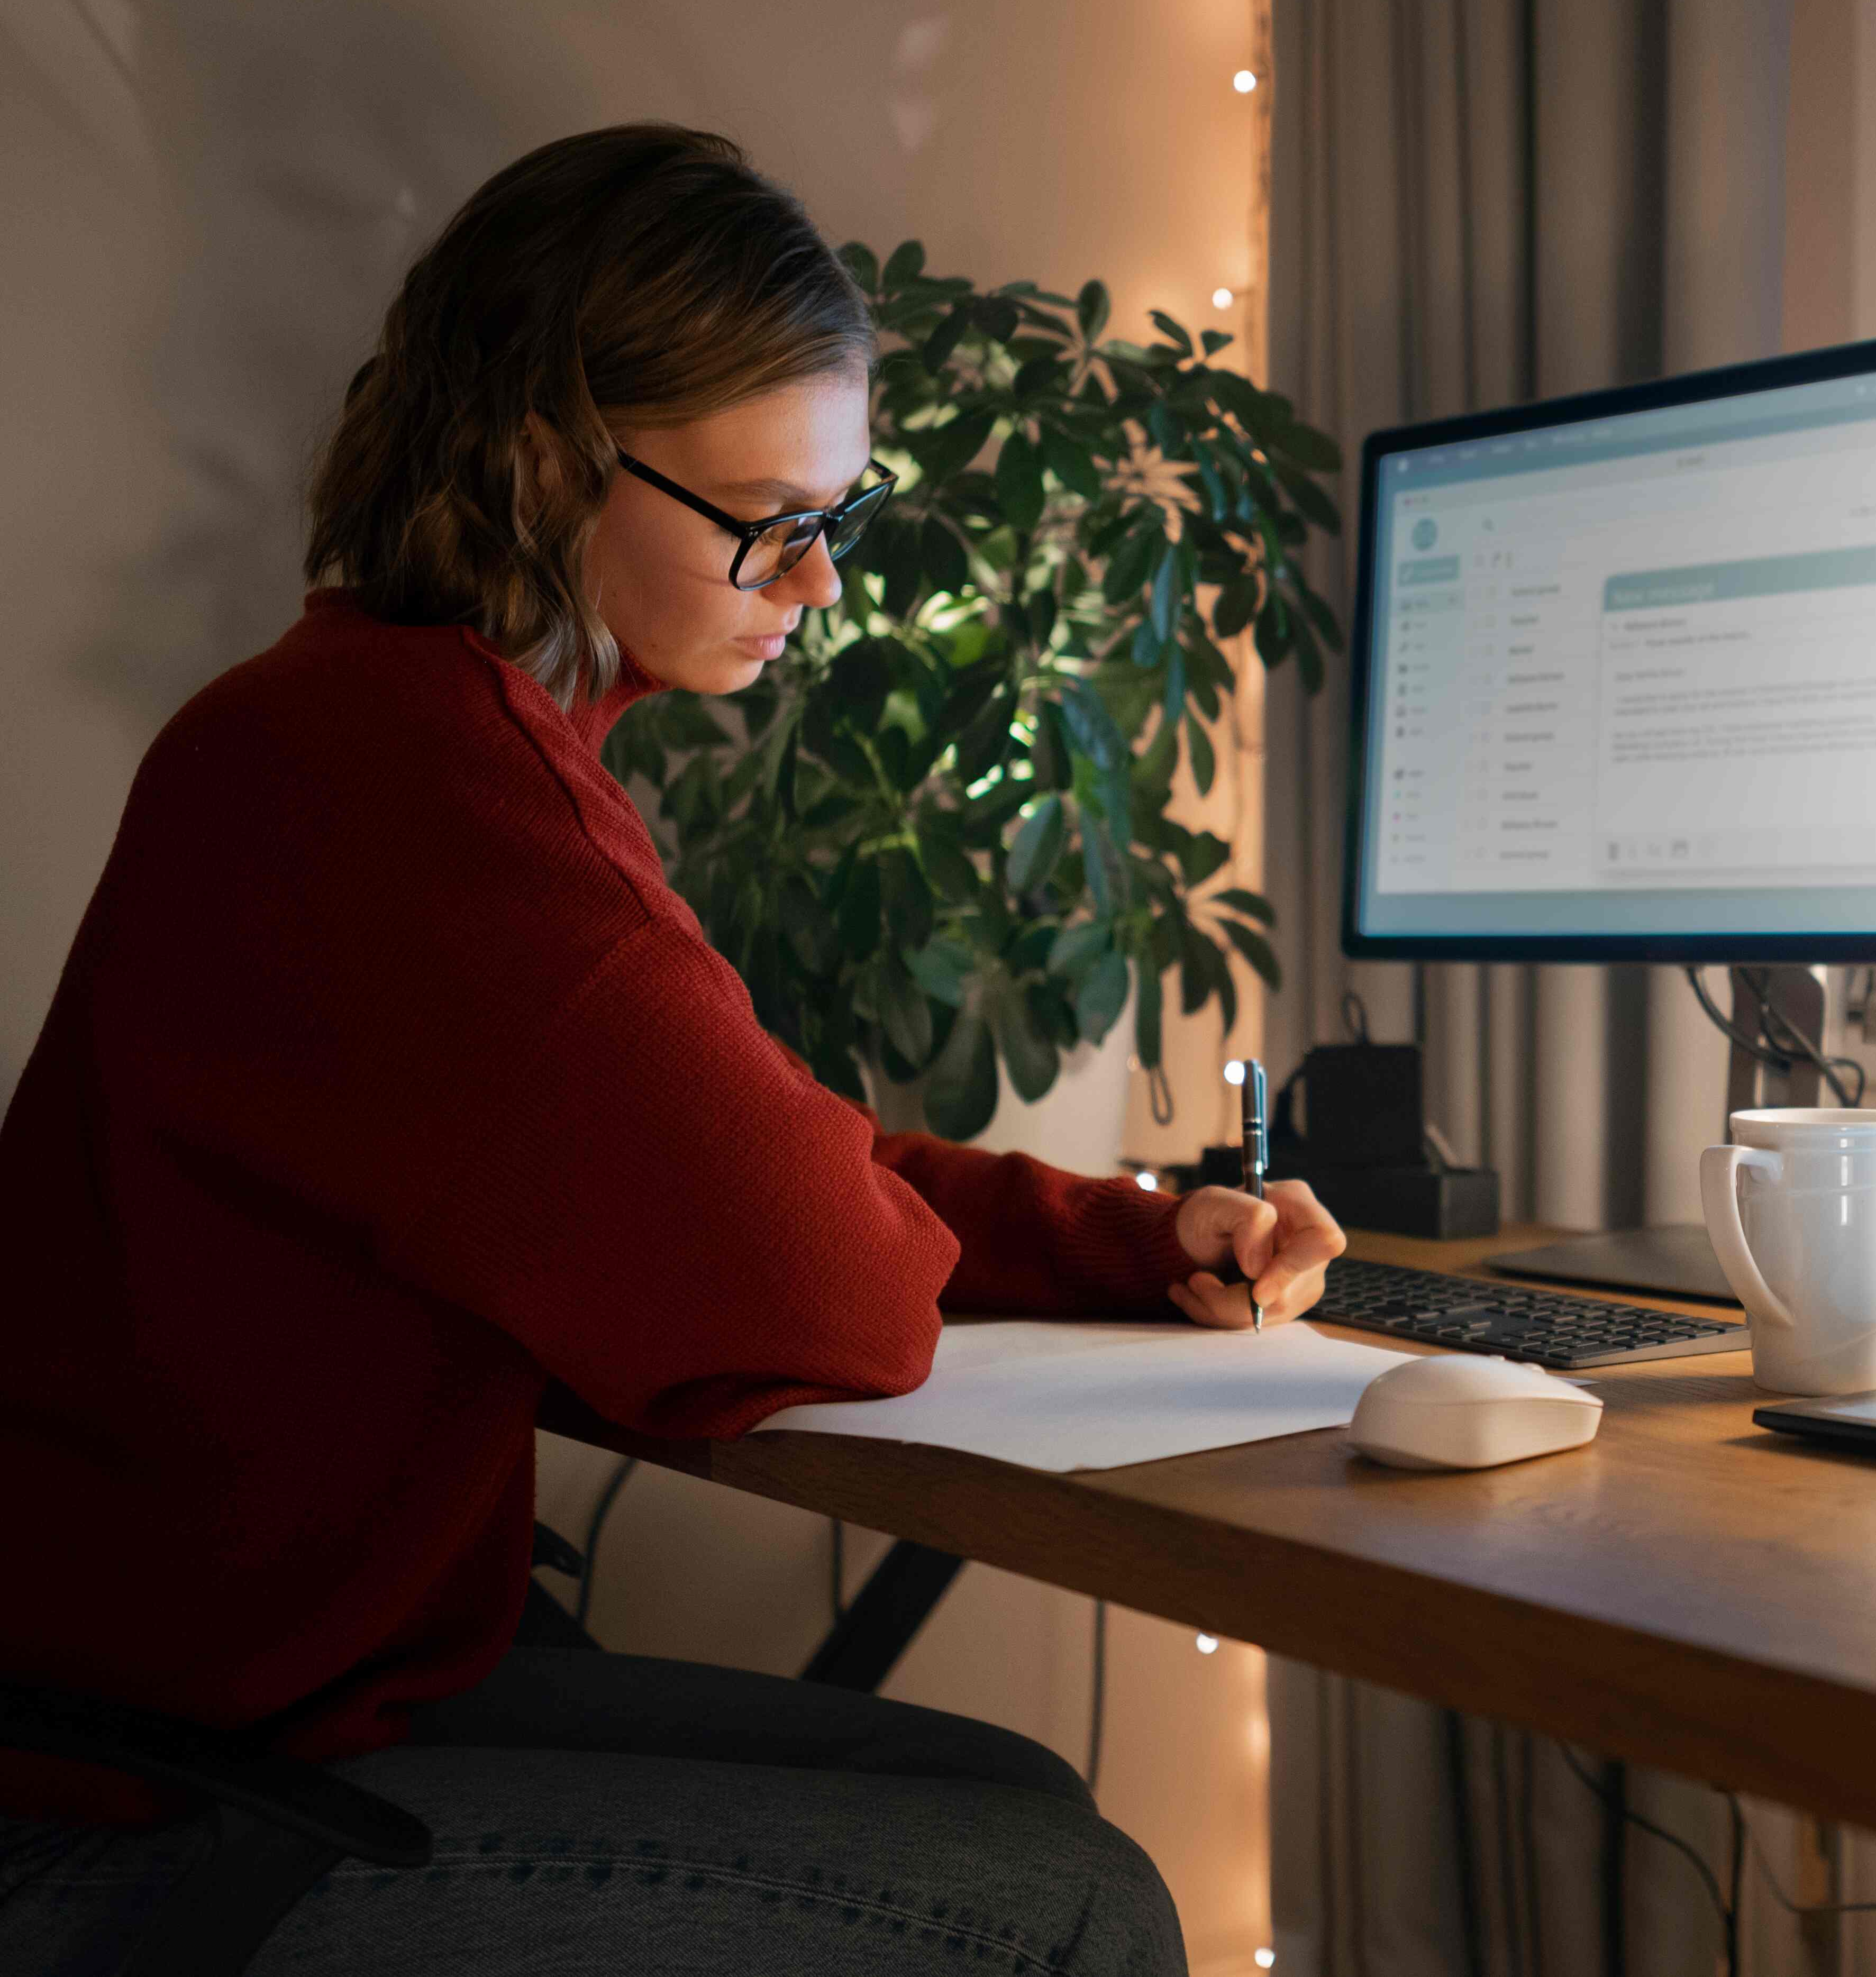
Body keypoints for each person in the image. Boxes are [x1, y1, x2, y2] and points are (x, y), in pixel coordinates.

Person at [0, 122, 1342, 1975]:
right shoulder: (417, 785)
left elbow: (760, 1145)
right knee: (1074, 1905)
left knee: (1025, 1801)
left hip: (256, 1705)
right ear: (552, 460)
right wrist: (879, 1225)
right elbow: (824, 1282)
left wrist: (1118, 1235)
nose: (818, 589)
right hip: (120, 1802)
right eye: (773, 524)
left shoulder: (402, 731)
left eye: (839, 523)